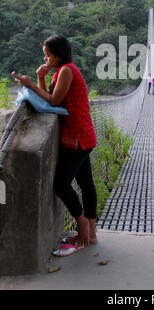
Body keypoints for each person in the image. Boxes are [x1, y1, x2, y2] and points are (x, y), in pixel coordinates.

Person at [12, 35, 97, 255]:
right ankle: (91, 234)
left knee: (61, 184)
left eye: (48, 54)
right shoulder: (62, 71)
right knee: (85, 182)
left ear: (58, 55)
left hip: (77, 135)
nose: (45, 58)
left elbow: (53, 102)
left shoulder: (67, 70)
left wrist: (30, 84)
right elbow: (49, 97)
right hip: (81, 133)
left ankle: (83, 234)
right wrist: (40, 78)